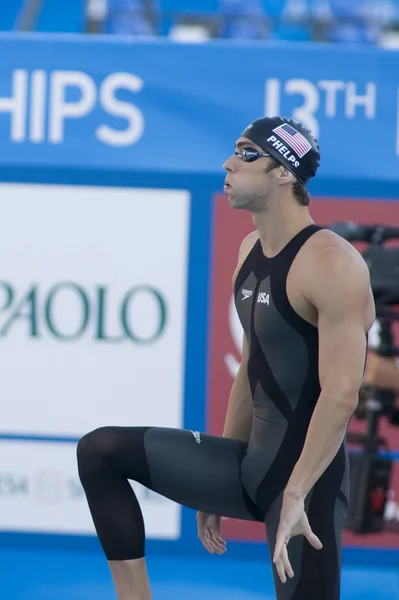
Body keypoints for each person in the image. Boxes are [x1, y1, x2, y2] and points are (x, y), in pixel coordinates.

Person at [77, 116, 375, 600]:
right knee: (100, 451)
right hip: (249, 467)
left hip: (307, 487)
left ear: (284, 173)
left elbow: (342, 395)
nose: (228, 163)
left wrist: (296, 493)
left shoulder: (333, 262)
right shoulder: (250, 248)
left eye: (246, 153)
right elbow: (252, 369)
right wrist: (216, 482)